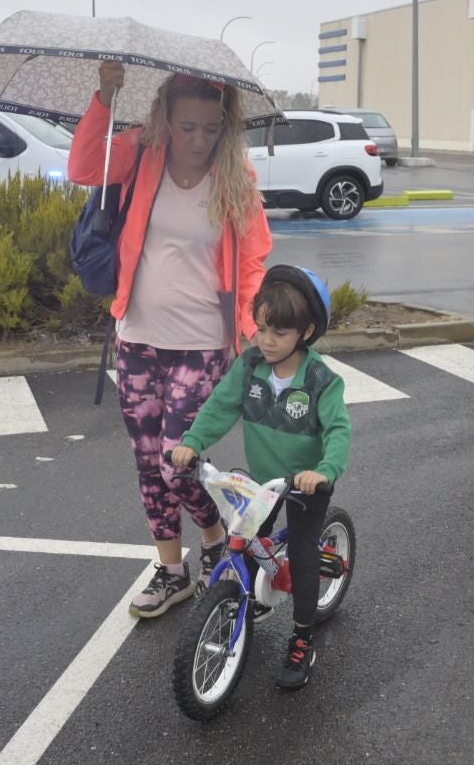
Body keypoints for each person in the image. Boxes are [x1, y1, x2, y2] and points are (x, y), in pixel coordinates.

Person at [69, 61, 272, 619]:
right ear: (166, 118)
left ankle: (214, 538)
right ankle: (172, 570)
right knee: (145, 461)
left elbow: (253, 259)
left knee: (174, 462)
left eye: (211, 129)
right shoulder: (141, 153)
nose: (200, 141)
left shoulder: (235, 178)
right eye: (188, 128)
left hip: (204, 341)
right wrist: (104, 99)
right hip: (136, 336)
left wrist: (253, 328)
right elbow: (86, 167)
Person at [172, 265, 350, 689]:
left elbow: (339, 430)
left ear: (305, 332)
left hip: (305, 482)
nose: (265, 340)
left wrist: (323, 471)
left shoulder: (322, 380)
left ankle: (303, 638)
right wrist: (193, 440)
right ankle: (248, 602)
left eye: (279, 333)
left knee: (304, 554)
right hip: (262, 482)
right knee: (249, 543)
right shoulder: (251, 365)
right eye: (261, 327)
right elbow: (221, 405)